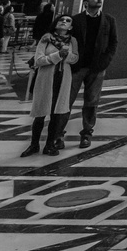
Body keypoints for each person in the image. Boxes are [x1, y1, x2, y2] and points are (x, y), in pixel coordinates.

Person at [24, 15, 79, 156]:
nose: (64, 22)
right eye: (61, 20)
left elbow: (74, 58)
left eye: (68, 21)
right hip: (46, 77)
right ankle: (34, 144)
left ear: (71, 27)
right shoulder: (46, 38)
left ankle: (50, 144)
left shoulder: (72, 40)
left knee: (57, 114)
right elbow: (39, 60)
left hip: (63, 78)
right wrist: (58, 55)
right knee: (40, 113)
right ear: (55, 24)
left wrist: (65, 55)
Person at [70, 0, 120, 149]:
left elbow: (113, 42)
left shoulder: (109, 20)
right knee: (66, 100)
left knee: (92, 101)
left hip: (97, 67)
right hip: (77, 66)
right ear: (86, 3)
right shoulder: (76, 20)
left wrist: (105, 62)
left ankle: (87, 132)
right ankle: (58, 134)